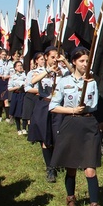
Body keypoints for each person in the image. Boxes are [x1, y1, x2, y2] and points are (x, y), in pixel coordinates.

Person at [49, 47, 102, 206]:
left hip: (88, 124)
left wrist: (89, 87)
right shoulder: (64, 82)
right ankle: (71, 199)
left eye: (87, 61)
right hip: (70, 124)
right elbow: (53, 106)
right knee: (71, 167)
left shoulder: (92, 82)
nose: (85, 64)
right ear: (74, 62)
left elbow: (94, 105)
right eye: (82, 61)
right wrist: (72, 109)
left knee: (90, 168)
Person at [27, 46, 63, 183]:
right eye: (52, 57)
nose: (55, 60)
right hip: (44, 105)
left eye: (56, 57)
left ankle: (57, 162)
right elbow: (32, 82)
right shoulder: (38, 71)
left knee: (58, 136)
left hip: (59, 106)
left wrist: (63, 63)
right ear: (46, 57)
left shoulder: (62, 71)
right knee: (45, 138)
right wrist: (48, 71)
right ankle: (50, 168)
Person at [7, 60, 27, 135]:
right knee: (17, 111)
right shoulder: (13, 77)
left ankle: (24, 128)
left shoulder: (25, 75)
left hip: (24, 94)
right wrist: (16, 87)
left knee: (24, 110)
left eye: (21, 65)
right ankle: (18, 129)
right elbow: (9, 88)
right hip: (16, 94)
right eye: (18, 65)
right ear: (15, 68)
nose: (20, 66)